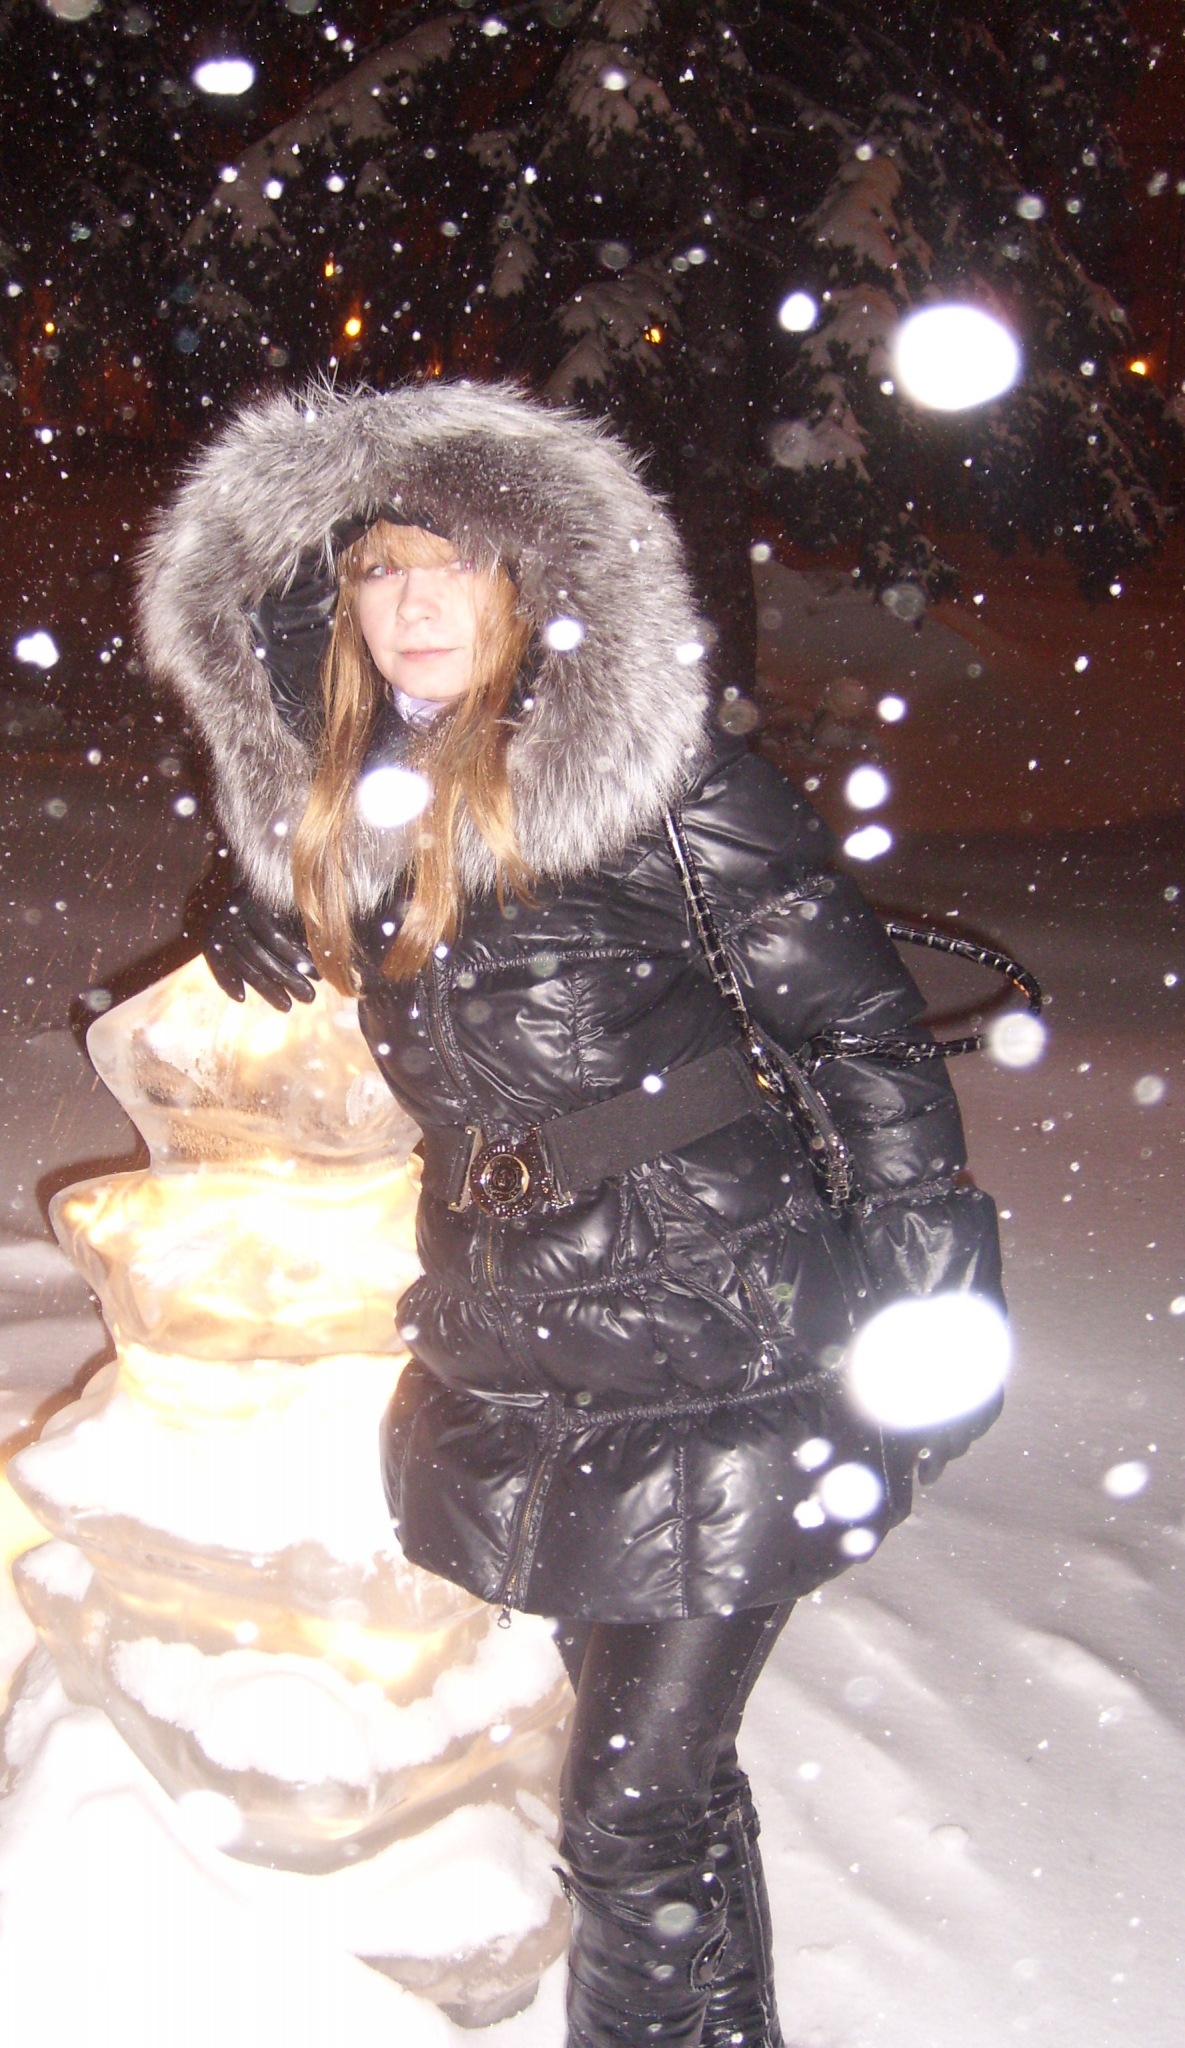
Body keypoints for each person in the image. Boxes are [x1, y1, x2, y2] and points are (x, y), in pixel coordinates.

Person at [139, 380, 1004, 2048]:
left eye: (452, 564)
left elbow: (857, 1029)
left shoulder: (658, 779)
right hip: (521, 1345)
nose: (412, 605)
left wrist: (929, 1291)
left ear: (529, 579)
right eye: (378, 570)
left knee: (628, 1809)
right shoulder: (358, 807)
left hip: (721, 1335)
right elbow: (415, 948)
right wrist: (250, 894)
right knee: (659, 1793)